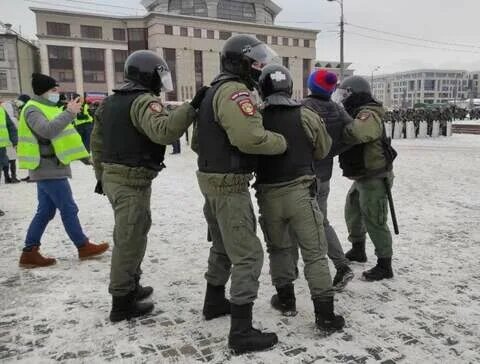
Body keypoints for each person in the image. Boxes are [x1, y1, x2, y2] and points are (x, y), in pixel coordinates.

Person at [91, 50, 202, 322]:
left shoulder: (110, 101)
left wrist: (101, 177)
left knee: (136, 232)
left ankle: (131, 285)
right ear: (149, 74)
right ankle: (121, 303)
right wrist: (191, 107)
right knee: (129, 239)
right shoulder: (144, 101)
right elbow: (163, 132)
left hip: (122, 177)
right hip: (129, 179)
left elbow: (96, 144)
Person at [192, 34, 285, 354]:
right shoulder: (234, 91)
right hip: (229, 186)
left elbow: (197, 142)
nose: (260, 66)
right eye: (255, 60)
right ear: (240, 61)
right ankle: (241, 332)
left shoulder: (212, 90)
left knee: (221, 245)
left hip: (211, 181)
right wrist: (281, 142)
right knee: (248, 254)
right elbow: (251, 139)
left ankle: (214, 300)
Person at [254, 64, 345, 332]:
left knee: (279, 248)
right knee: (315, 252)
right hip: (301, 193)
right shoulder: (306, 114)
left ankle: (285, 300)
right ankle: (326, 315)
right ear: (290, 87)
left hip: (268, 195)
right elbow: (323, 149)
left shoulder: (255, 118)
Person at [17, 73, 109, 268]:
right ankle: (83, 246)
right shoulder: (33, 109)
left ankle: (29, 252)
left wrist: (85, 158)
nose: (56, 93)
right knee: (68, 208)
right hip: (47, 168)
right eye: (53, 90)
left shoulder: (49, 108)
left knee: (45, 211)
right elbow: (48, 131)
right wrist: (69, 113)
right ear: (43, 91)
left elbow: (65, 138)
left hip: (51, 167)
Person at [334, 76, 397, 281]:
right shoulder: (358, 111)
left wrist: (339, 125)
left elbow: (358, 134)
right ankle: (358, 249)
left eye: (345, 94)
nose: (343, 99)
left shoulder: (367, 114)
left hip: (375, 176)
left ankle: (384, 264)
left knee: (375, 218)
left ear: (354, 93)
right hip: (363, 176)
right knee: (352, 210)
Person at [300, 69, 354, 291]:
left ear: (311, 85)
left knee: (304, 221)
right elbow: (354, 133)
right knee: (320, 220)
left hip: (304, 175)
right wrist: (332, 151)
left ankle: (340, 266)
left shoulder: (304, 107)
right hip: (324, 175)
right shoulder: (338, 109)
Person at [0, 103, 17, 184]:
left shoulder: (2, 110)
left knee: (4, 162)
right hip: (3, 144)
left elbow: (10, 126)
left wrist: (14, 140)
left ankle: (8, 177)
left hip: (2, 145)